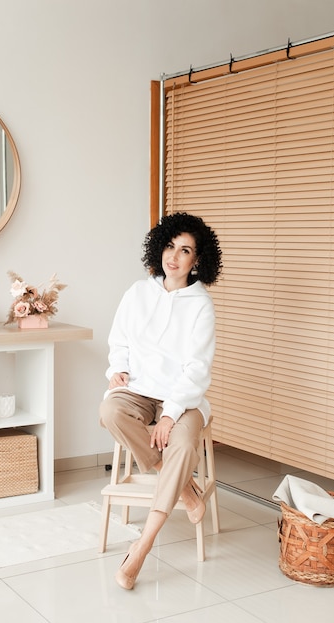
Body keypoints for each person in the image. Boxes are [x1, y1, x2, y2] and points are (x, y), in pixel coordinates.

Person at [99, 211, 222, 590]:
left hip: (183, 399)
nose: (174, 256)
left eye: (184, 250)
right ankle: (185, 489)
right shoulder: (137, 293)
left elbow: (196, 371)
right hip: (138, 390)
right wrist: (116, 369)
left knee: (183, 444)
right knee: (110, 410)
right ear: (160, 249)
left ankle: (142, 546)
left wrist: (169, 415)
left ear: (196, 260)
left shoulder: (201, 305)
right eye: (170, 246)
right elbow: (119, 340)